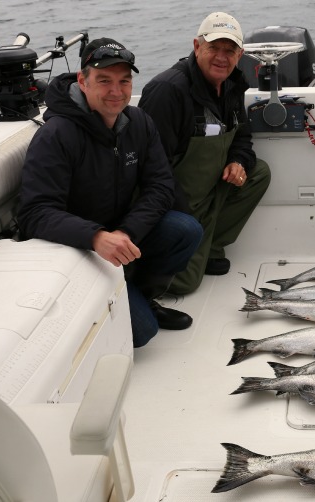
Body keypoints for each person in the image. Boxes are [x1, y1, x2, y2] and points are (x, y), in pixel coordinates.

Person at [17, 38, 203, 348]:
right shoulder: (56, 135)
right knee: (143, 334)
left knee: (186, 230)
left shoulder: (139, 122)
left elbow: (160, 185)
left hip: (117, 232)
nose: (116, 92)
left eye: (124, 81)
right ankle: (112, 304)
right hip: (78, 248)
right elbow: (34, 213)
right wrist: (96, 237)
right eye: (104, 81)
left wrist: (127, 232)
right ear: (83, 80)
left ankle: (139, 294)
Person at [138, 11, 271, 294]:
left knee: (258, 173)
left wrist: (238, 161)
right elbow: (150, 170)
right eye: (214, 48)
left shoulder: (233, 84)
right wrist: (187, 224)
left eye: (230, 50)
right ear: (197, 47)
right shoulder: (167, 91)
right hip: (173, 204)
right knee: (184, 285)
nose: (222, 57)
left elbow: (242, 136)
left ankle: (208, 247)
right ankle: (189, 246)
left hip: (209, 192)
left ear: (241, 55)